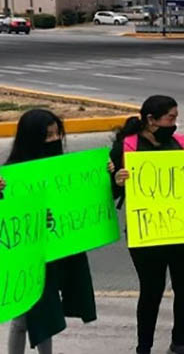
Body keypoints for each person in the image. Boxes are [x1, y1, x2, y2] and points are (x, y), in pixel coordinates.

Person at [110, 95, 184, 354]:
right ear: (151, 120)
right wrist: (116, 181)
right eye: (170, 118)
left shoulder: (182, 144)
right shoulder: (126, 147)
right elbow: (110, 194)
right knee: (151, 291)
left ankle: (180, 341)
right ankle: (144, 347)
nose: (175, 124)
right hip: (147, 233)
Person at [2, 109, 97, 354]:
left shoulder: (63, 168)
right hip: (25, 255)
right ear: (32, 137)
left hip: (55, 250)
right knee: (23, 317)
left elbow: (84, 197)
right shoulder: (14, 172)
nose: (54, 140)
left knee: (48, 312)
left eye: (57, 134)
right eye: (48, 136)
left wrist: (107, 173)